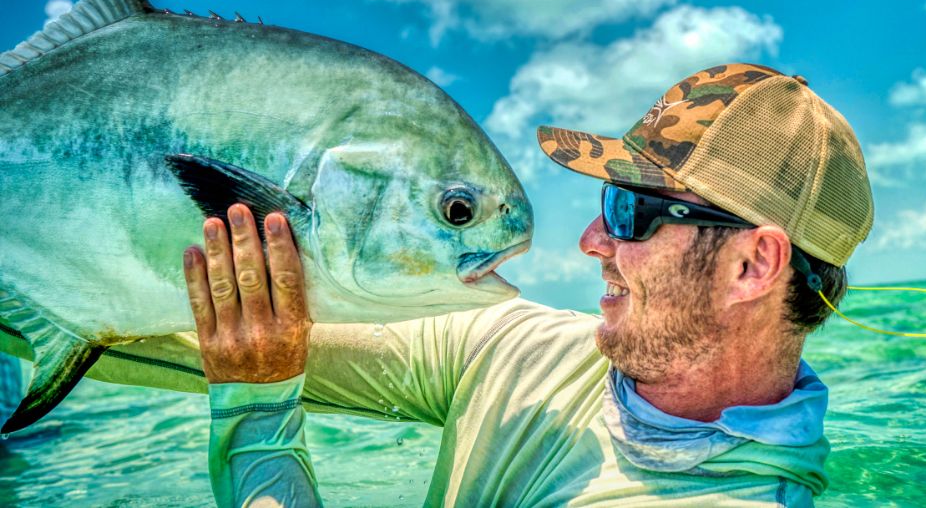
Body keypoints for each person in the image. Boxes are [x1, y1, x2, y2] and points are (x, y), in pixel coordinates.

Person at [0, 62, 873, 506]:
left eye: (631, 211)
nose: (590, 240)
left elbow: (255, 375)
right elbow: (196, 338)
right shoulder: (540, 351)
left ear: (753, 264)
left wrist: (261, 412)